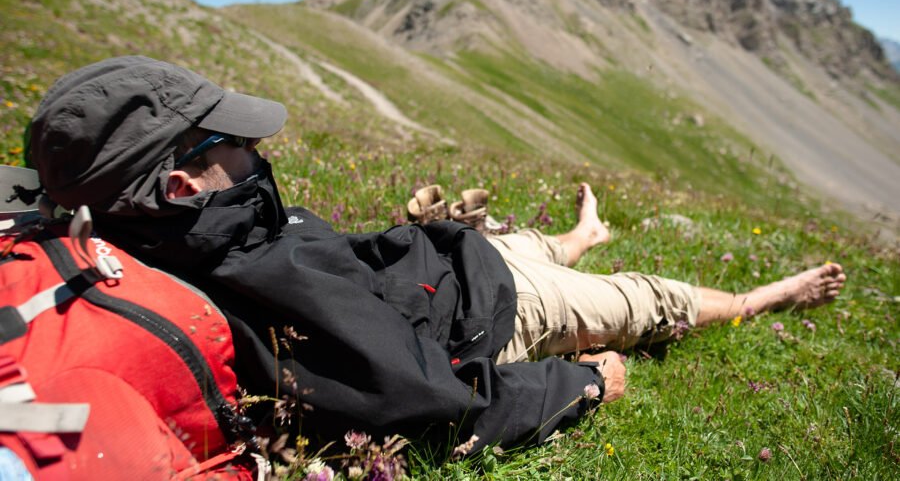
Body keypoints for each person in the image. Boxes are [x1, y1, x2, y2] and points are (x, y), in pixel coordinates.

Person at [28, 56, 846, 454]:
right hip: (500, 309)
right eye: (232, 140)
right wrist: (590, 380)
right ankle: (765, 297)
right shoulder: (261, 288)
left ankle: (574, 235)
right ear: (180, 182)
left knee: (516, 243)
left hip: (447, 265)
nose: (253, 148)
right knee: (641, 298)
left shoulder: (200, 237)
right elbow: (439, 404)